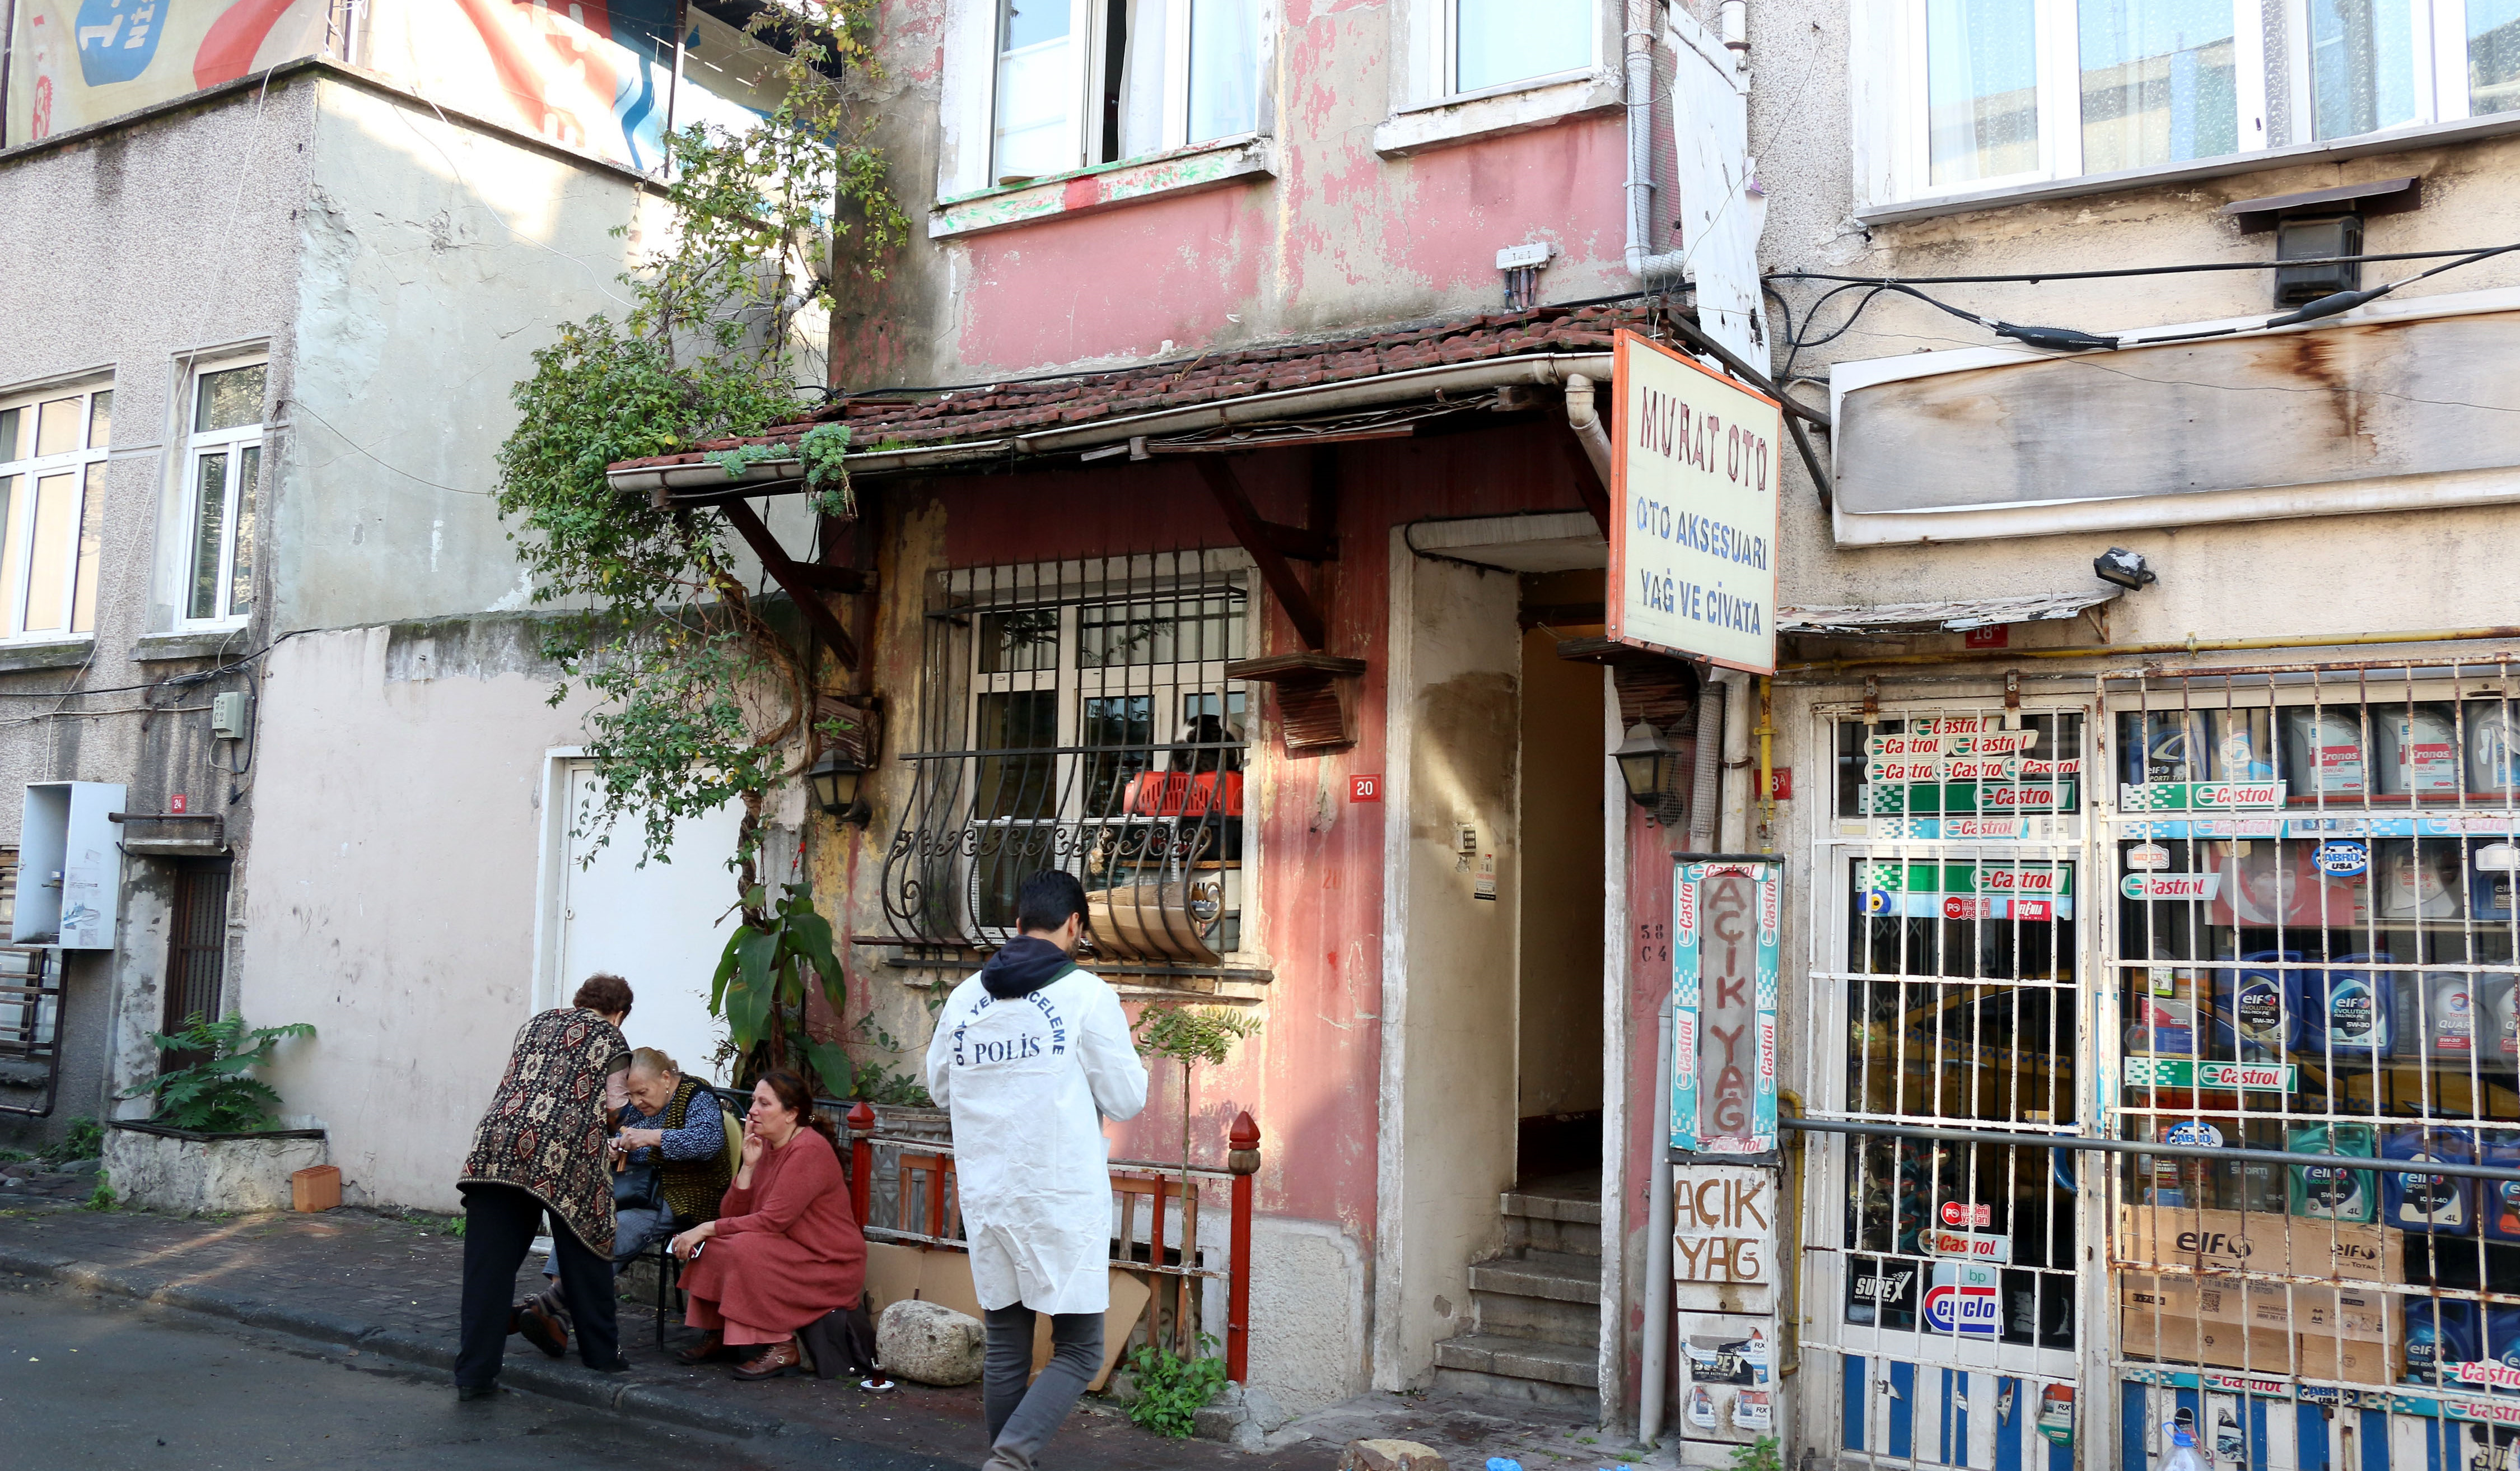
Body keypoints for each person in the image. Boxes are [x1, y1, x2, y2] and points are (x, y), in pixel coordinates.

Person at [925, 870, 1149, 1471]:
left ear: (1018, 921)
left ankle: (1006, 1462)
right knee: (1079, 1349)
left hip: (990, 1191)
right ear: (1074, 924)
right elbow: (1127, 1098)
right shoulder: (1086, 995)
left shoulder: (966, 996)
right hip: (1058, 1193)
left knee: (1007, 1343)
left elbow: (939, 1087)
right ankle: (1012, 1459)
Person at [454, 974, 637, 1399]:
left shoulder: (535, 1023)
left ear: (578, 1001)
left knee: (487, 1269)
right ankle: (601, 1353)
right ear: (620, 1013)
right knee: (586, 1241)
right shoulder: (611, 1038)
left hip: (496, 1144)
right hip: (562, 1148)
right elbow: (615, 1107)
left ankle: (474, 1376)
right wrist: (620, 1133)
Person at [520, 1047, 735, 1335]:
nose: (636, 1101)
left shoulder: (696, 1095)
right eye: (631, 1094)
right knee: (580, 1221)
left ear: (666, 1078)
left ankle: (551, 1307)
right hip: (643, 1191)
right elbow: (634, 1146)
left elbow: (708, 1141)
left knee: (616, 1229)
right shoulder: (641, 1108)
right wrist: (616, 1147)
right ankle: (558, 1317)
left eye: (642, 1093)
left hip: (687, 1196)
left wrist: (652, 1137)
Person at [668, 1068, 866, 1379]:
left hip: (826, 1262)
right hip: (788, 1247)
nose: (753, 1110)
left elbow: (772, 1221)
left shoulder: (808, 1151)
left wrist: (705, 1228)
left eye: (765, 1103)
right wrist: (747, 1167)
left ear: (791, 1114)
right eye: (754, 1102)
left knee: (742, 1248)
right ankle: (721, 1334)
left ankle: (783, 1346)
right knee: (717, 1245)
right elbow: (731, 1213)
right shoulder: (768, 1146)